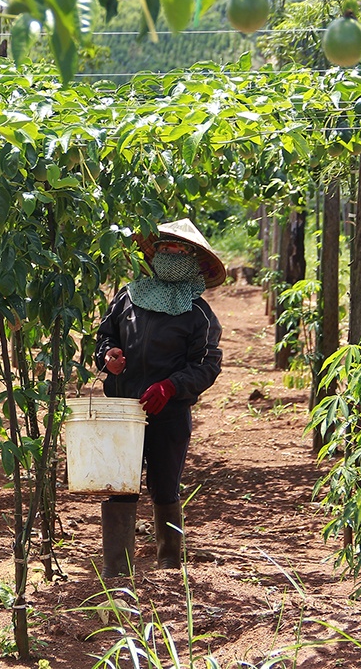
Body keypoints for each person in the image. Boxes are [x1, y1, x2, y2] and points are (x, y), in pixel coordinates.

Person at [93, 219, 224, 576]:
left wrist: (171, 387)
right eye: (166, 248)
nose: (171, 254)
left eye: (180, 250)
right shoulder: (128, 296)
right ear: (154, 254)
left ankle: (168, 561)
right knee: (120, 484)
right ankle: (117, 568)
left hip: (168, 414)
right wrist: (109, 356)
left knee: (165, 485)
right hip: (124, 411)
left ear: (194, 260)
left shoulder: (198, 314)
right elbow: (104, 337)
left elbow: (207, 365)